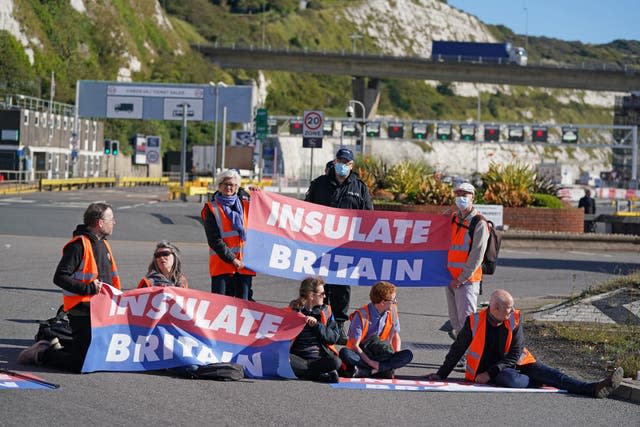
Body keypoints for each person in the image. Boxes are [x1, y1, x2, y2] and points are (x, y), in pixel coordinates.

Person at [425, 289, 624, 398]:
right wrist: (442, 374)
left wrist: (490, 374)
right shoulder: (473, 322)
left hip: (519, 363)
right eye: (508, 309)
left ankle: (593, 388)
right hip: (494, 371)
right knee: (509, 380)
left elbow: (515, 353)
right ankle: (539, 381)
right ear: (494, 308)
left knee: (555, 374)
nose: (512, 312)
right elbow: (457, 349)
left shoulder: (515, 320)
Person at [18, 203, 121, 372]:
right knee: (82, 364)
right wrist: (88, 288)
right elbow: (60, 277)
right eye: (111, 219)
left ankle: (57, 341)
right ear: (100, 223)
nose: (114, 223)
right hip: (82, 311)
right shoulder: (79, 245)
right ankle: (42, 353)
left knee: (101, 355)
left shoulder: (104, 245)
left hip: (102, 311)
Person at [305, 148, 373, 344]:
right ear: (334, 162)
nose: (343, 165)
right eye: (340, 160)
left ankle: (340, 324)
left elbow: (369, 216)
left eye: (347, 162)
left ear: (352, 166)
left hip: (346, 247)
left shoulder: (360, 187)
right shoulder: (319, 184)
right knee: (320, 285)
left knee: (342, 287)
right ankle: (319, 321)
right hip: (321, 246)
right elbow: (305, 210)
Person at [339, 281, 413, 378]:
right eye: (393, 300)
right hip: (363, 353)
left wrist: (395, 356)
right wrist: (371, 362)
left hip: (383, 353)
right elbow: (355, 346)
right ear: (383, 302)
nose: (395, 302)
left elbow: (396, 336)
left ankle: (368, 371)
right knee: (345, 353)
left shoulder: (393, 311)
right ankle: (381, 370)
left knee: (408, 355)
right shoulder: (361, 315)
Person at [202, 169, 255, 300]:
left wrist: (258, 195)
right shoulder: (211, 208)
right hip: (222, 266)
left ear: (237, 187)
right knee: (221, 306)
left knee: (244, 308)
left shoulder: (247, 205)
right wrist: (233, 259)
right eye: (226, 184)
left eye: (233, 185)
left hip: (244, 266)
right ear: (219, 186)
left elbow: (266, 214)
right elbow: (214, 240)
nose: (229, 187)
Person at [447, 182, 489, 341]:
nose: (460, 198)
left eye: (465, 195)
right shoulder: (454, 218)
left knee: (467, 322)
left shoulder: (479, 223)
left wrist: (461, 278)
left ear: (473, 197)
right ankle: (461, 354)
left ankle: (471, 356)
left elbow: (477, 256)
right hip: (451, 278)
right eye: (458, 194)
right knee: (455, 321)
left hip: (467, 280)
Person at [288, 277, 342, 383]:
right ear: (311, 296)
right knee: (283, 358)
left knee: (336, 362)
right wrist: (296, 319)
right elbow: (282, 335)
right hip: (298, 358)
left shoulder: (326, 311)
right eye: (322, 294)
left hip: (319, 359)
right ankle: (318, 375)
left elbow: (333, 338)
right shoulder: (294, 309)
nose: (325, 296)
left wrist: (317, 325)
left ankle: (308, 373)